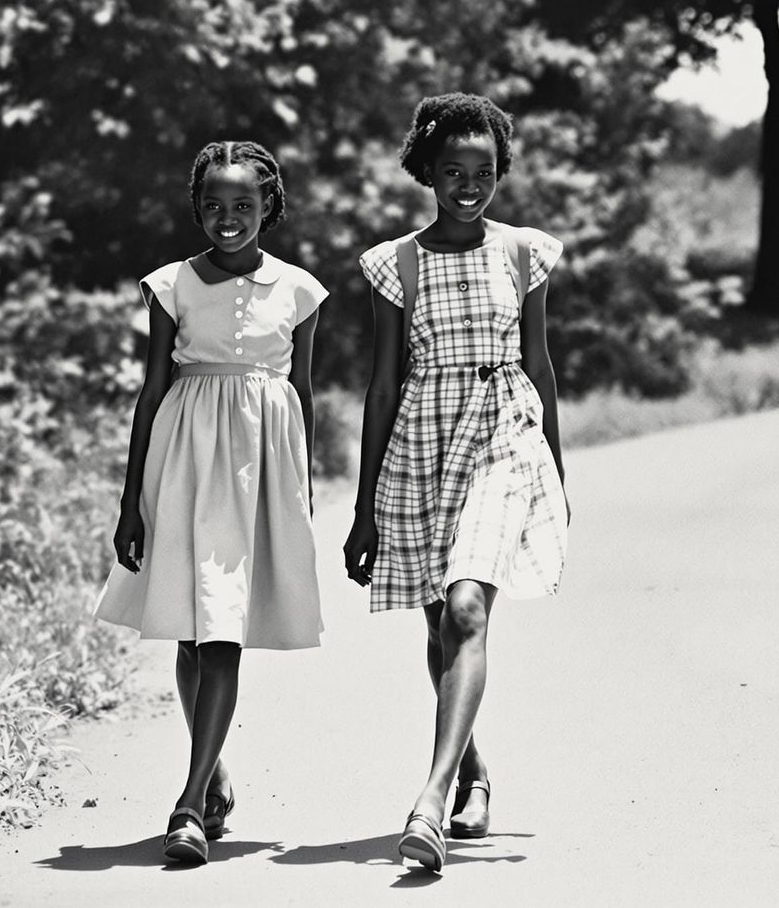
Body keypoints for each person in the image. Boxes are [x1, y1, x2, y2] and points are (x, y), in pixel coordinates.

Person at [343, 93, 569, 872]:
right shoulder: (394, 263)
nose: (469, 184)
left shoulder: (524, 252)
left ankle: (430, 800)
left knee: (468, 605)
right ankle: (474, 771)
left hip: (505, 432)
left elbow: (539, 367)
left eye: (483, 170)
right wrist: (366, 506)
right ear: (427, 172)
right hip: (423, 442)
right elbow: (381, 386)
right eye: (452, 170)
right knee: (442, 624)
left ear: (500, 171)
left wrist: (557, 479)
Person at [95, 139, 327, 865]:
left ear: (270, 207)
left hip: (259, 466)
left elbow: (303, 394)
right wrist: (131, 498)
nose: (229, 218)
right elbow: (151, 389)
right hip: (186, 456)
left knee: (224, 628)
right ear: (197, 208)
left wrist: (302, 489)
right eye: (214, 206)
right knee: (194, 632)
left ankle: (189, 803)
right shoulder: (169, 284)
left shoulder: (300, 291)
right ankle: (213, 764)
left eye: (244, 205)